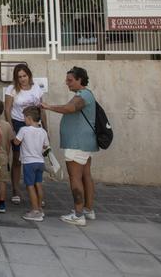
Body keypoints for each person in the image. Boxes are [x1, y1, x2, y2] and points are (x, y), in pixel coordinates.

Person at [42, 67, 98, 226]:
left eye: (70, 80)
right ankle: (88, 209)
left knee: (75, 178)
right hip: (84, 143)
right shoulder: (85, 95)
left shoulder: (82, 96)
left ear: (80, 79)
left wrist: (48, 107)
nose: (67, 83)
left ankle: (79, 214)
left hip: (77, 144)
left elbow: (69, 108)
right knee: (85, 175)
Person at [4, 63, 44, 205]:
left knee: (34, 157)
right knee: (17, 159)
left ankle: (36, 193)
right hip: (18, 123)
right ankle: (16, 190)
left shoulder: (36, 88)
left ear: (29, 75)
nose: (22, 79)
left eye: (24, 76)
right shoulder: (12, 89)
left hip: (34, 124)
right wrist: (11, 127)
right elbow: (7, 109)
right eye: (19, 76)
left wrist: (45, 128)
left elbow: (41, 109)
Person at [13, 106, 49, 222]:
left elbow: (16, 142)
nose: (24, 120)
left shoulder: (24, 130)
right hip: (40, 161)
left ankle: (34, 211)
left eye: (24, 118)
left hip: (29, 162)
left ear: (29, 118)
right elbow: (45, 146)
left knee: (30, 186)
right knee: (38, 184)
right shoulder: (43, 131)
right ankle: (39, 208)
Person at [0, 99, 14, 214]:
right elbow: (10, 143)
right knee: (2, 181)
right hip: (3, 155)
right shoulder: (6, 125)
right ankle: (2, 203)